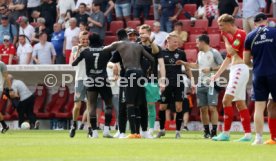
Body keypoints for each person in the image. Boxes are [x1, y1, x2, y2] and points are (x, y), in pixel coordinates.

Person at [103, 29, 155, 138]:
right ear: (126, 36)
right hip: (127, 78)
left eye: (134, 35)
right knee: (123, 105)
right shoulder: (133, 47)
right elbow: (110, 63)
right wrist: (115, 66)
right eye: (130, 35)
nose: (132, 37)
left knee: (140, 104)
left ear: (137, 37)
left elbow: (154, 54)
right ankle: (121, 131)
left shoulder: (136, 46)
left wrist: (151, 74)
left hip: (135, 77)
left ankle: (141, 131)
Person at [211, 14, 252, 142]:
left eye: (221, 25)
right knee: (240, 103)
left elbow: (232, 52)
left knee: (225, 100)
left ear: (229, 24)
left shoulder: (240, 34)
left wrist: (226, 40)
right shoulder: (234, 36)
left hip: (240, 69)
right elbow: (228, 58)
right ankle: (247, 135)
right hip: (236, 69)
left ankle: (226, 133)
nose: (220, 28)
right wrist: (217, 74)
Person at [72, 33, 114, 138]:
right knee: (108, 105)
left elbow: (74, 63)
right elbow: (113, 61)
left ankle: (94, 132)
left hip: (90, 79)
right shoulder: (106, 50)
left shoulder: (86, 51)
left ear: (90, 41)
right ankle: (106, 130)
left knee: (91, 106)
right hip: (103, 79)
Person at [243, 13, 276, 145]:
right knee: (273, 105)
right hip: (274, 73)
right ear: (266, 21)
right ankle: (274, 136)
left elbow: (246, 61)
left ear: (255, 23)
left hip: (259, 74)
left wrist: (256, 62)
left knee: (259, 107)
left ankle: (258, 138)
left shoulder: (250, 36)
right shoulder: (274, 32)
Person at [183, 34, 223, 138]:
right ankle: (206, 132)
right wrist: (185, 63)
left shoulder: (214, 52)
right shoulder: (199, 53)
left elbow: (222, 66)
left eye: (197, 42)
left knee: (212, 108)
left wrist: (210, 69)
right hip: (200, 83)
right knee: (203, 109)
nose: (196, 45)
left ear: (203, 42)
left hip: (212, 83)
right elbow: (197, 65)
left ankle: (214, 131)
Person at [156, 33, 191, 139]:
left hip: (178, 83)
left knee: (179, 107)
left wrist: (192, 81)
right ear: (168, 42)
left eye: (178, 42)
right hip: (166, 83)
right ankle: (162, 129)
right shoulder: (161, 53)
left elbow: (187, 67)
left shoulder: (181, 53)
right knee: (162, 106)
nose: (177, 44)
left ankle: (177, 131)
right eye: (175, 42)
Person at [138, 24, 166, 137]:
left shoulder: (156, 48)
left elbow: (162, 66)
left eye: (143, 33)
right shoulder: (137, 46)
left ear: (149, 34)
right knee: (139, 105)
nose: (141, 35)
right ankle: (141, 129)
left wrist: (163, 80)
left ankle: (150, 129)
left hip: (152, 80)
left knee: (150, 105)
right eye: (140, 33)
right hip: (137, 80)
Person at [69, 31, 89, 138]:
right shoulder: (75, 49)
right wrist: (79, 49)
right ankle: (74, 124)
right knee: (77, 106)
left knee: (90, 105)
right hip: (79, 79)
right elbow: (73, 62)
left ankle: (90, 129)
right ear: (79, 39)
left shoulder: (91, 49)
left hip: (90, 79)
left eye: (86, 39)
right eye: (83, 39)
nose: (85, 41)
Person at [0, 61, 11, 133]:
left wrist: (10, 88)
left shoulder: (1, 64)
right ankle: (4, 126)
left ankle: (4, 125)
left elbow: (6, 76)